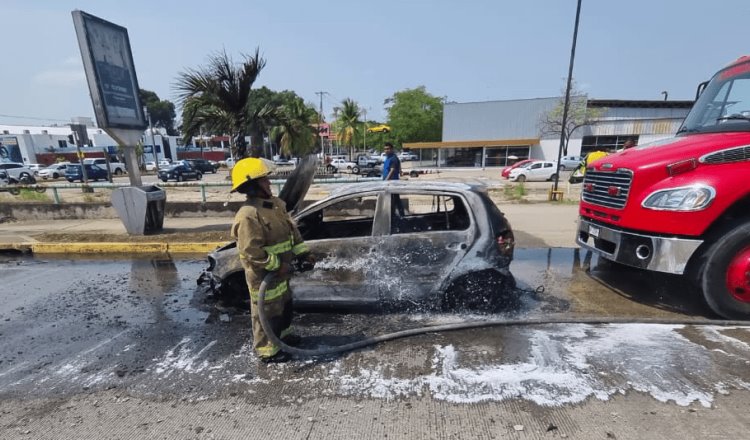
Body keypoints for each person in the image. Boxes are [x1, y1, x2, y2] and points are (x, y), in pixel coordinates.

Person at [229, 157, 314, 363]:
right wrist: (278, 266)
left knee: (284, 307)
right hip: (264, 277)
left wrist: (303, 253)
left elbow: (291, 231)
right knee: (266, 314)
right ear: (252, 186)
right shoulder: (248, 215)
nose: (269, 183)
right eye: (264, 181)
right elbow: (252, 252)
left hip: (282, 275)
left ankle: (284, 338)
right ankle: (267, 352)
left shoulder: (276, 205)